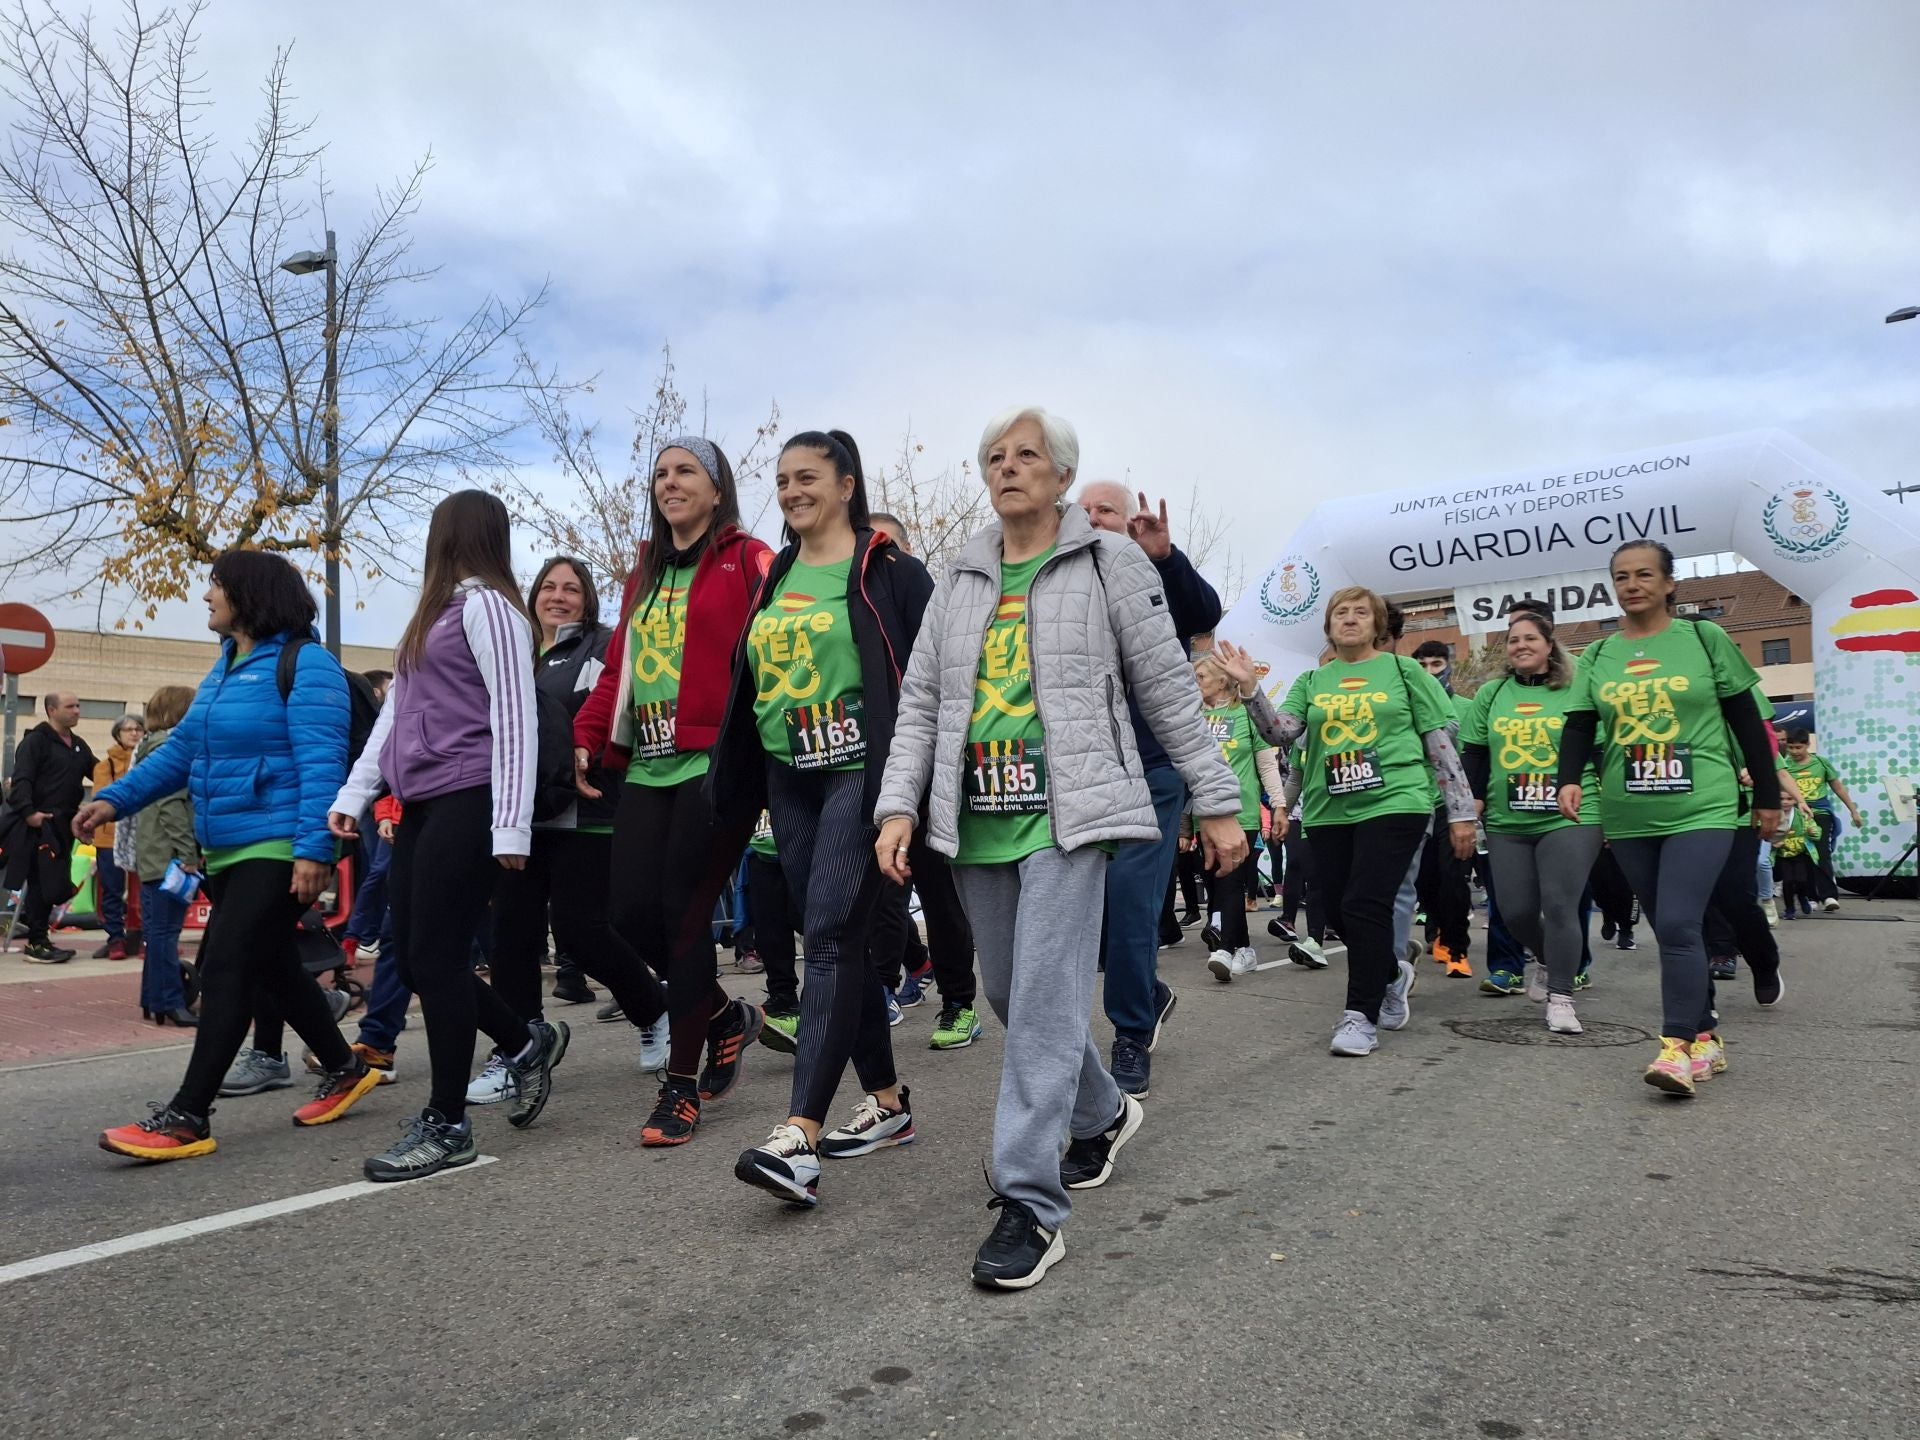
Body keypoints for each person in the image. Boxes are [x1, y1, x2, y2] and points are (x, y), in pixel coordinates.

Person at [875, 405, 1244, 1290]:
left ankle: (1030, 1203)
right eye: (995, 456)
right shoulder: (961, 576)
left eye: (1027, 455)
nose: (1008, 467)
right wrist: (897, 806)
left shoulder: (1109, 561)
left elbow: (1165, 687)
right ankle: (1102, 1110)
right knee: (1008, 990)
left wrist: (1218, 800)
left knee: (1043, 997)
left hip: (1069, 812)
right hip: (975, 818)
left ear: (1062, 475)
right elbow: (921, 702)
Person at [81, 551, 382, 1161]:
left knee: (225, 966)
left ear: (250, 592)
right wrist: (114, 800)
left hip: (276, 844)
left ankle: (189, 1115)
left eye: (215, 585)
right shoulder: (224, 668)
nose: (206, 597)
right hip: (226, 845)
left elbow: (322, 763)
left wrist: (314, 849)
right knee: (272, 965)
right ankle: (346, 1066)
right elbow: (180, 753)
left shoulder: (308, 665)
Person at [712, 429, 933, 1206]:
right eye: (780, 479)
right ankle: (889, 1104)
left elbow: (932, 676)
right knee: (825, 935)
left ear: (845, 485)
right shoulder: (776, 577)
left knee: (835, 935)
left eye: (807, 476)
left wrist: (914, 789)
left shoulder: (892, 570)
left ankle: (799, 1136)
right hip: (788, 773)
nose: (791, 490)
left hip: (861, 771)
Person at [329, 490, 567, 1181]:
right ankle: (524, 1044)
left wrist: (511, 824)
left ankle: (448, 1122)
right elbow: (393, 717)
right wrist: (357, 792)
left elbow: (516, 716)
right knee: (417, 954)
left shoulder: (491, 606)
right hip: (423, 802)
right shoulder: (433, 616)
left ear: (454, 534)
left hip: (472, 795)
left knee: (433, 957)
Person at [573, 436, 773, 1147]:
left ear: (717, 491)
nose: (670, 482)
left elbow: (777, 654)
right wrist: (587, 736)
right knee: (628, 914)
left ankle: (680, 1089)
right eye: (660, 473)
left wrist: (769, 755)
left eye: (686, 470)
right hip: (649, 765)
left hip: (714, 766)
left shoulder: (748, 559)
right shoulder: (645, 575)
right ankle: (722, 1015)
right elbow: (616, 671)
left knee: (684, 917)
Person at [1556, 539, 1781, 1096]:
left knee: (1680, 924)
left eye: (1644, 575)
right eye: (1622, 576)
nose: (1633, 584)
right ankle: (1706, 1035)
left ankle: (1676, 1047)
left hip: (1702, 804)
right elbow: (1581, 724)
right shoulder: (1600, 655)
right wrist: (1567, 778)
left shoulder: (1704, 638)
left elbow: (1747, 720)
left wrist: (1768, 795)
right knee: (1671, 928)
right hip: (1629, 811)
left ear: (1669, 583)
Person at [1220, 587, 1477, 1058]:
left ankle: (1360, 1015)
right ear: (1328, 626)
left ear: (1378, 625)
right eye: (1341, 612)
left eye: (1362, 612)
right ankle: (1392, 972)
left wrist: (1460, 813)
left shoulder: (1404, 672)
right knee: (1338, 910)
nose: (1351, 618)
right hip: (1329, 807)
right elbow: (1281, 733)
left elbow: (1440, 743)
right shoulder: (1313, 681)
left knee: (1366, 903)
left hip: (1397, 802)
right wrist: (1251, 691)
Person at [476, 555, 671, 1103]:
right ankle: (521, 1048)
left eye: (571, 589)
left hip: (587, 810)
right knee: (511, 933)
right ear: (533, 594)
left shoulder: (600, 647)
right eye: (549, 587)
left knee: (581, 932)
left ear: (587, 600)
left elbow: (602, 712)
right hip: (519, 814)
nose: (558, 596)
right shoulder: (508, 650)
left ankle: (654, 1010)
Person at [1075, 480, 1221, 1098]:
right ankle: (1150, 993)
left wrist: (1164, 558)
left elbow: (1201, 616)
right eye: (1081, 512)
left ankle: (1131, 1033)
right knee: (1092, 910)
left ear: (1129, 519)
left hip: (1154, 768)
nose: (1092, 520)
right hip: (1083, 771)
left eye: (1105, 510)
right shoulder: (1060, 582)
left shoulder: (1150, 573)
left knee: (1134, 902)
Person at [863, 510, 983, 1051]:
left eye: (885, 541)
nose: (874, 549)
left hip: (927, 767)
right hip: (868, 768)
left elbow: (940, 684)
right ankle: (885, 985)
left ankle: (959, 1002)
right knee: (882, 889)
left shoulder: (918, 587)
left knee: (937, 890)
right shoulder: (846, 597)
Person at [1459, 608, 1599, 1033]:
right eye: (1513, 640)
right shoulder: (1492, 694)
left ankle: (1560, 996)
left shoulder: (1577, 689)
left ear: (1549, 645)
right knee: (1517, 912)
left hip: (1570, 814)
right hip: (1508, 819)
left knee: (1559, 904)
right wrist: (1473, 802)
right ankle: (1547, 956)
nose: (1520, 645)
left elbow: (1598, 748)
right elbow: (1475, 754)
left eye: (1530, 639)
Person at [1191, 653, 1281, 982]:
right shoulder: (1192, 718)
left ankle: (1226, 949)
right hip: (1207, 815)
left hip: (1241, 813)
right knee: (1218, 884)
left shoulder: (1245, 714)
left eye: (1200, 677)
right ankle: (1244, 948)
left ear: (1222, 680)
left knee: (1231, 882)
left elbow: (1267, 765)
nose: (1194, 683)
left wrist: (1280, 805)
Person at [3, 692, 96, 963]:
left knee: (52, 885)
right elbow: (21, 781)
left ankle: (40, 941)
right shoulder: (36, 742)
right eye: (70, 706)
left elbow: (98, 773)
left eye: (79, 705)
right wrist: (30, 813)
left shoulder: (78, 745)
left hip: (65, 826)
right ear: (51, 710)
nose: (77, 711)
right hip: (39, 825)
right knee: (43, 884)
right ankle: (37, 944)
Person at [127, 687, 197, 1025]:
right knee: (165, 933)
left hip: (153, 853)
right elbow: (173, 807)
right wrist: (188, 853)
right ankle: (170, 1002)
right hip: (169, 856)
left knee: (157, 932)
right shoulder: (171, 749)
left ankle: (154, 999)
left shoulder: (148, 747)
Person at [1412, 641, 1474, 978]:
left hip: (1453, 805)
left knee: (1454, 878)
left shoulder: (1466, 707)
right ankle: (1434, 928)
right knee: (1425, 879)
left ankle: (1457, 947)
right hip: (1417, 802)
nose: (1429, 672)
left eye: (1436, 665)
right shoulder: (1403, 705)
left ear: (1448, 666)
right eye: (1421, 665)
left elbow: (1474, 756)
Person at [1782, 727, 1863, 912]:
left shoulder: (1821, 763)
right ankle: (1811, 896)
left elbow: (1838, 788)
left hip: (1819, 811)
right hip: (1794, 814)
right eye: (1791, 748)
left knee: (1820, 852)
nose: (1794, 752)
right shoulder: (1784, 766)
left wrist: (1853, 811)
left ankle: (1828, 896)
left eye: (1798, 748)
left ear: (1808, 745)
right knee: (1802, 855)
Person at [88, 715, 145, 960]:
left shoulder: (149, 761)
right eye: (128, 729)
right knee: (111, 890)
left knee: (143, 892)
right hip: (109, 837)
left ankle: (143, 937)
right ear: (117, 734)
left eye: (138, 729)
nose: (134, 733)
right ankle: (115, 939)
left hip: (141, 835)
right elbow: (103, 799)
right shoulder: (105, 765)